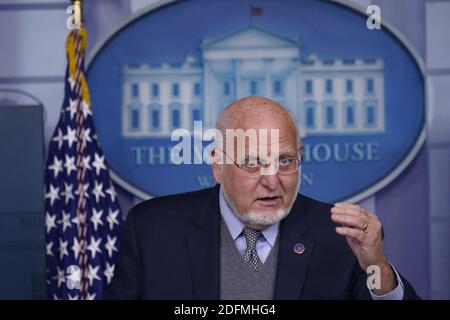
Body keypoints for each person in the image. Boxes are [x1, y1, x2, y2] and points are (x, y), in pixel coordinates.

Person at [105, 96, 419, 299]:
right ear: (218, 165)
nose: (271, 181)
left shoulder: (339, 235)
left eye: (284, 161)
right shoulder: (152, 229)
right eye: (253, 162)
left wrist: (376, 266)